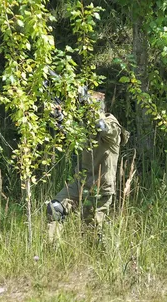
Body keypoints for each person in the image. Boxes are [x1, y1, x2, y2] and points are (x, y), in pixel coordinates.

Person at [46, 90, 128, 242]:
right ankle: (52, 251)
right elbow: (70, 135)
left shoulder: (112, 124)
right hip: (81, 182)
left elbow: (101, 128)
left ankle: (102, 261)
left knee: (91, 231)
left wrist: (87, 104)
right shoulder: (86, 125)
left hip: (100, 186)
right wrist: (59, 117)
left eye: (86, 106)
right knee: (55, 208)